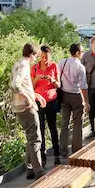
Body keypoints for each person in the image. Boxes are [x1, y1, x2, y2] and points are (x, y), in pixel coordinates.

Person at [10, 43, 46, 180]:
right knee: (36, 138)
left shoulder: (17, 64)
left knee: (30, 137)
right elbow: (16, 84)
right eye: (35, 56)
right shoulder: (25, 66)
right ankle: (39, 170)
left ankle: (30, 168)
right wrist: (28, 99)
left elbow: (21, 85)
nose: (35, 59)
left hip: (18, 106)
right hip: (26, 107)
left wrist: (34, 95)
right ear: (32, 54)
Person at [58, 43, 89, 156]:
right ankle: (76, 149)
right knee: (77, 123)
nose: (82, 53)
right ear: (77, 53)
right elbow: (83, 86)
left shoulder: (62, 62)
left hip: (64, 95)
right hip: (76, 96)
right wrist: (86, 101)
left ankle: (63, 150)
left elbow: (57, 76)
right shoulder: (80, 67)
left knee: (64, 123)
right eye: (81, 52)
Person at [31, 45, 60, 166]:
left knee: (53, 128)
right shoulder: (35, 68)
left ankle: (56, 155)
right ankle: (42, 157)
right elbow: (31, 87)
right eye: (42, 57)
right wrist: (37, 79)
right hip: (39, 102)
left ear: (50, 55)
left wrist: (52, 80)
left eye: (46, 57)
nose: (44, 59)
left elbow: (58, 85)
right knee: (40, 130)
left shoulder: (54, 66)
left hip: (51, 101)